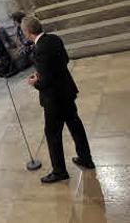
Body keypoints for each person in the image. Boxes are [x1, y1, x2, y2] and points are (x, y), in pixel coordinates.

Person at [22, 16, 94, 184]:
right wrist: (45, 74)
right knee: (75, 124)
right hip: (67, 91)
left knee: (52, 133)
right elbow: (65, 60)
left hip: (54, 99)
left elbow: (45, 82)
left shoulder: (39, 49)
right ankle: (86, 158)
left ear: (28, 32)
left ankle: (59, 171)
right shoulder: (54, 38)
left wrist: (35, 82)